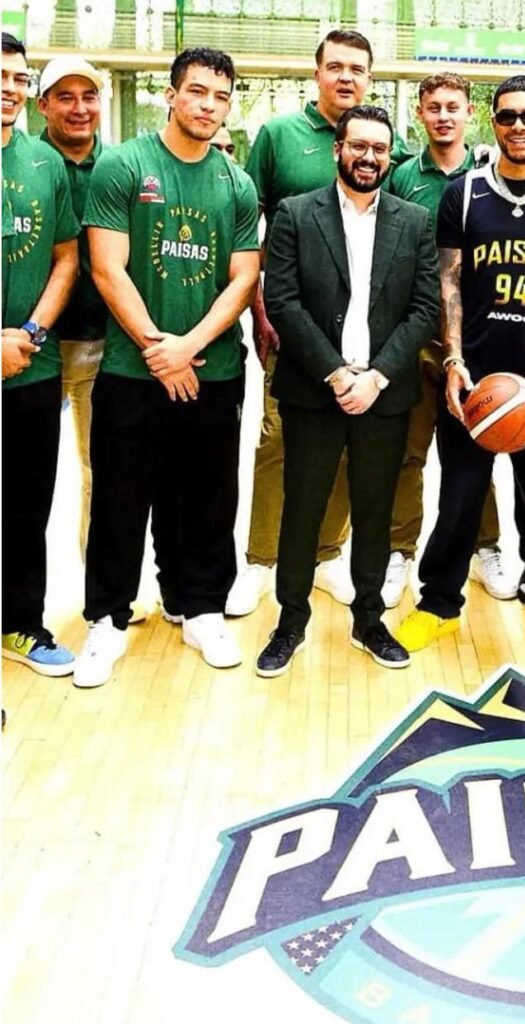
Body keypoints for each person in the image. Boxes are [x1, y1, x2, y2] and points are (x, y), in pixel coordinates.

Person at [396, 75, 525, 659]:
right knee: (459, 500)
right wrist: (454, 358)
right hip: (477, 380)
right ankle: (438, 605)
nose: (519, 126)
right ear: (493, 122)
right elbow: (449, 281)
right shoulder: (463, 194)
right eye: (508, 116)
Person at [75, 47, 261, 688]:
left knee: (208, 498)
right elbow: (107, 269)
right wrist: (160, 349)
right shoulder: (124, 165)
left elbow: (243, 279)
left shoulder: (236, 183)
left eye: (221, 96)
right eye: (198, 91)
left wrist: (190, 347)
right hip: (133, 371)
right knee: (122, 499)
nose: (209, 105)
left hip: (213, 369)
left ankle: (201, 608)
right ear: (171, 93)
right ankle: (107, 619)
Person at [256, 105, 439, 675]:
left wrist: (377, 375)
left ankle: (369, 620)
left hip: (384, 392)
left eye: (379, 149)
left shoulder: (414, 221)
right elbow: (282, 301)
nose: (368, 157)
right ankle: (290, 622)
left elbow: (424, 307)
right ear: (337, 149)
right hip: (315, 390)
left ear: (390, 157)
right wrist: (337, 373)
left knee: (374, 510)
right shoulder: (295, 214)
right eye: (358, 146)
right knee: (302, 510)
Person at [230, 29, 385, 617]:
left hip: (359, 332)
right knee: (277, 439)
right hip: (289, 323)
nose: (346, 77)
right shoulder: (278, 136)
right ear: (316, 73)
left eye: (358, 69)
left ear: (369, 79)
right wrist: (259, 308)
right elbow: (248, 230)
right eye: (336, 67)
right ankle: (261, 557)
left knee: (348, 442)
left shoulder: (380, 141)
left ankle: (325, 553)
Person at [384, 72, 517, 608]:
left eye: (453, 107)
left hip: (476, 339)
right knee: (407, 453)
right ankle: (398, 550)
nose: (443, 116)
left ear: (469, 114)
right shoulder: (401, 176)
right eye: (434, 106)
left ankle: (485, 547)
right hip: (414, 337)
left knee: (478, 446)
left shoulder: (491, 176)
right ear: (420, 113)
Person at [1, 33, 80, 677]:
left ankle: (20, 624)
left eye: (18, 78)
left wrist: (29, 332)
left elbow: (66, 258)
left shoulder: (45, 163)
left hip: (32, 365)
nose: (9, 88)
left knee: (26, 510)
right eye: (0, 76)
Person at [35, 56, 107, 559]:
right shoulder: (22, 162)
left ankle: (98, 584)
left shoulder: (121, 166)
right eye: (65, 97)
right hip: (32, 347)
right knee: (24, 473)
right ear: (42, 105)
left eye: (89, 96)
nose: (79, 108)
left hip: (103, 345)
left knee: (100, 470)